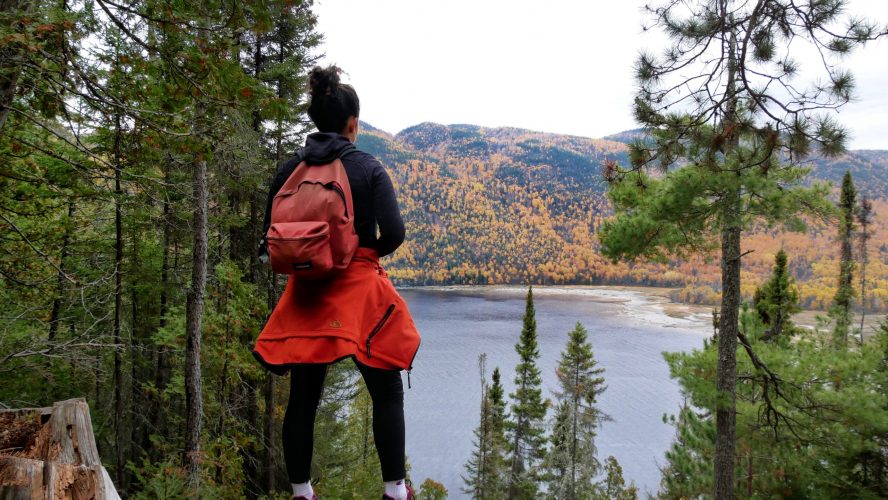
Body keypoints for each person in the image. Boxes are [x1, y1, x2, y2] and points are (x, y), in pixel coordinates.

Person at [253, 65, 420, 500]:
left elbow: (270, 238)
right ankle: (395, 490)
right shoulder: (367, 167)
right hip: (359, 289)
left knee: (303, 397)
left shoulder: (290, 170)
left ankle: (301, 492)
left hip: (307, 291)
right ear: (353, 124)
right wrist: (366, 254)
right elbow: (395, 232)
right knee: (386, 389)